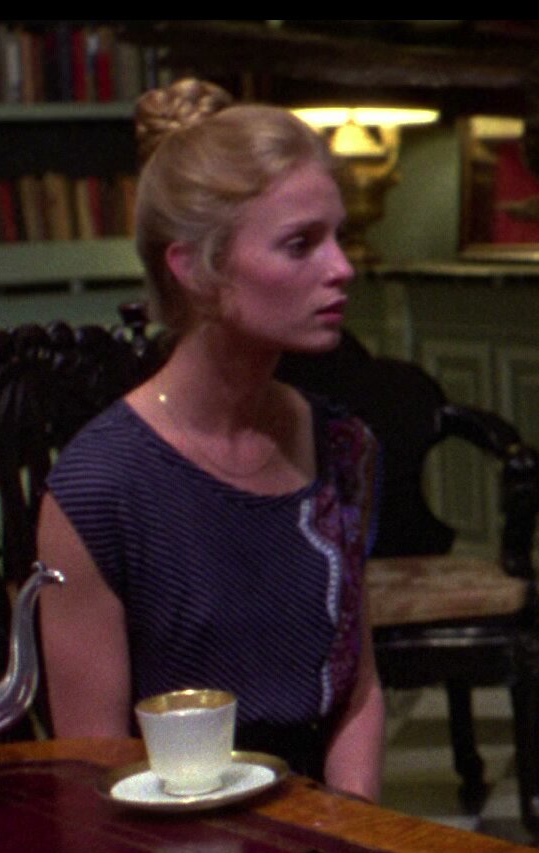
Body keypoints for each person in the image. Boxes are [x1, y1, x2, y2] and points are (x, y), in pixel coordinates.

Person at [38, 79, 386, 799]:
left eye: (338, 237)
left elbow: (358, 692)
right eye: (301, 244)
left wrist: (355, 841)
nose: (342, 268)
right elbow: (91, 772)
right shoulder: (98, 489)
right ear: (194, 267)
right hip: (170, 840)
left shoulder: (342, 445)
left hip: (325, 830)